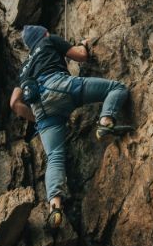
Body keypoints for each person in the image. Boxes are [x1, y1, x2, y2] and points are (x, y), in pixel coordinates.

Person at [10, 25, 132, 229]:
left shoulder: (23, 68)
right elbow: (81, 56)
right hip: (59, 87)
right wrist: (82, 45)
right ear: (44, 33)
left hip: (41, 109)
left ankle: (55, 206)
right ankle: (105, 123)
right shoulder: (49, 40)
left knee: (54, 157)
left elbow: (14, 103)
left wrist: (37, 119)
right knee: (117, 88)